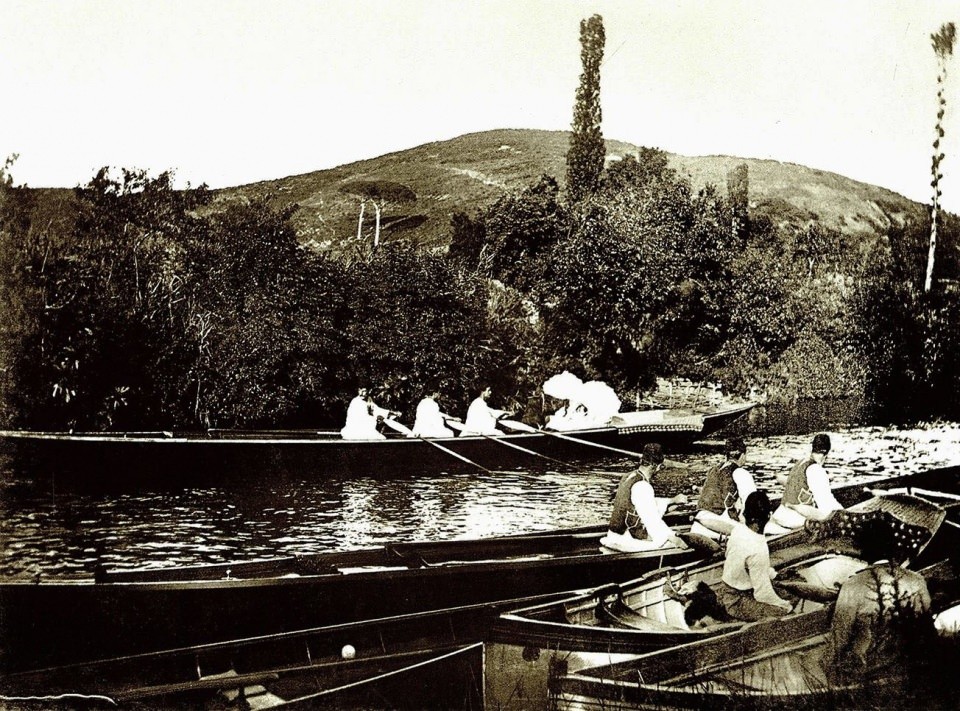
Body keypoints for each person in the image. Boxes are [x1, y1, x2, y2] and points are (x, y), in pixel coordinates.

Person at [827, 517, 933, 683]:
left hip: (869, 669)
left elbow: (840, 636)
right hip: (909, 664)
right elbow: (927, 624)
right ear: (893, 547)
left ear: (863, 549)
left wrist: (828, 666)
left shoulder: (853, 585)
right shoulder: (916, 580)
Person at [717, 490, 794, 621]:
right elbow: (762, 594)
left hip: (727, 588)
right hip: (736, 601)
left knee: (787, 591)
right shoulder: (758, 549)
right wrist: (785, 606)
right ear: (769, 516)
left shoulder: (738, 530)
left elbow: (741, 562)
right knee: (784, 611)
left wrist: (773, 575)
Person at [600, 443, 689, 552]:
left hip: (614, 535)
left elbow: (643, 503)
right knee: (673, 543)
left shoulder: (628, 476)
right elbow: (652, 521)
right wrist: (674, 538)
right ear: (656, 467)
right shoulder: (643, 486)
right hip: (625, 540)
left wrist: (672, 501)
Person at [766, 433, 843, 534]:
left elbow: (793, 484)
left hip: (780, 515)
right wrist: (845, 512)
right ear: (826, 455)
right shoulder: (816, 470)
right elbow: (826, 503)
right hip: (793, 521)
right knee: (827, 516)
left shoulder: (801, 462)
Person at [690, 436, 757, 540]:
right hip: (717, 528)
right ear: (743, 455)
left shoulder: (713, 470)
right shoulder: (741, 473)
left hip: (697, 526)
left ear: (727, 456)